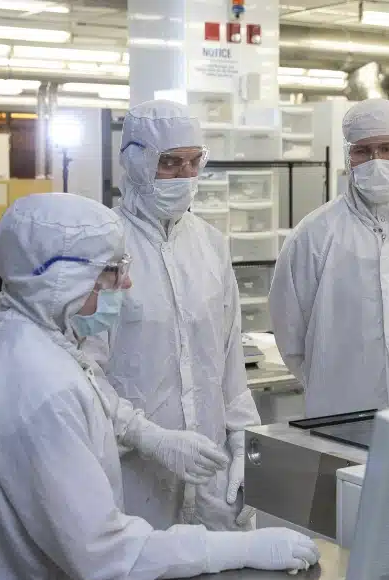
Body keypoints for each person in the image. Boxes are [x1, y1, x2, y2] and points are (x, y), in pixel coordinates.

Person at [0, 193, 319, 580]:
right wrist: (242, 548)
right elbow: (104, 553)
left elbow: (95, 391)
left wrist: (167, 437)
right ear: (60, 279)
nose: (125, 283)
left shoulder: (12, 344)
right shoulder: (42, 387)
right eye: (111, 272)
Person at [85, 100, 259, 532]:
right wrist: (150, 438)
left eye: (193, 162)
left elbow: (229, 358)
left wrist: (245, 445)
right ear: (138, 162)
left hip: (212, 476)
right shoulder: (103, 248)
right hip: (135, 479)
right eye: (169, 163)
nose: (184, 176)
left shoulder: (211, 245)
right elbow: (85, 373)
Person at [269, 99, 389, 418]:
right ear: (348, 156)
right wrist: (332, 389)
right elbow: (289, 331)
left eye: (388, 148)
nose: (376, 161)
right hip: (339, 417)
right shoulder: (313, 235)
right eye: (363, 151)